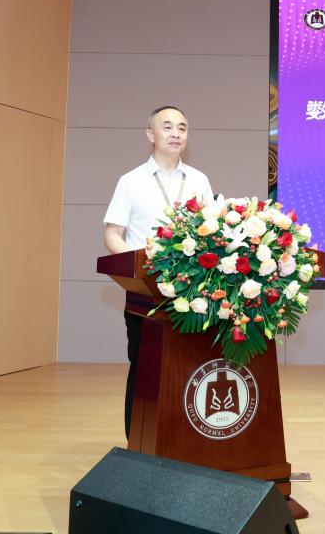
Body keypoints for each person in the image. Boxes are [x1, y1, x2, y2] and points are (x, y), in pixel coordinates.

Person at [102, 105, 213, 442]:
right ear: (151, 134)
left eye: (182, 127)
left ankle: (184, 442)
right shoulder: (131, 181)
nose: (176, 133)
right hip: (146, 294)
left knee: (189, 368)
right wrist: (140, 265)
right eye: (167, 127)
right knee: (144, 369)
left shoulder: (199, 180)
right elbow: (112, 234)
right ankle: (138, 442)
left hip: (192, 294)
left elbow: (213, 232)